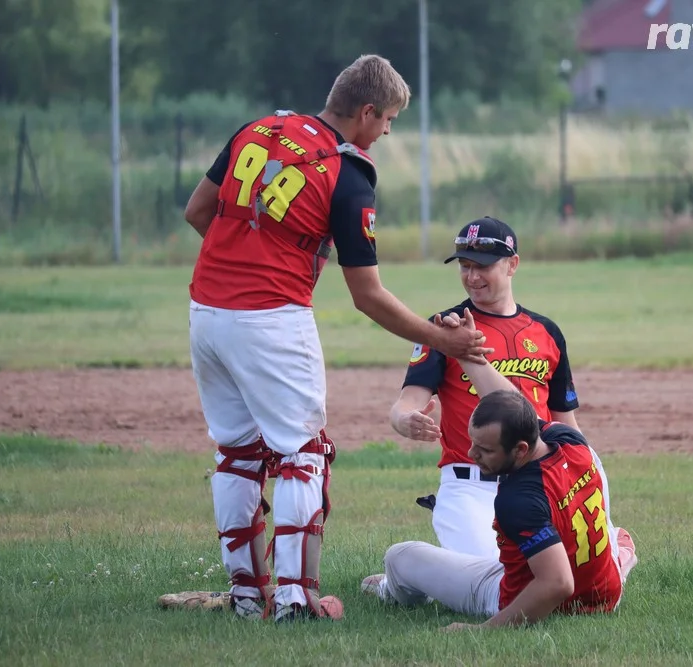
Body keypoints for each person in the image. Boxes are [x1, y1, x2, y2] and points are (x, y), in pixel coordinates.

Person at [181, 54, 491, 624]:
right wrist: (439, 340)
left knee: (238, 454)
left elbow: (199, 211)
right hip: (271, 317)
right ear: (367, 112)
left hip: (206, 311)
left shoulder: (260, 128)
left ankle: (248, 596)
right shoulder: (349, 169)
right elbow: (367, 293)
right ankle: (296, 601)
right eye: (389, 119)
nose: (389, 131)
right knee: (303, 456)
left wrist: (251, 257)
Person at [363, 309, 637, 629]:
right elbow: (517, 406)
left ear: (520, 449)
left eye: (485, 449)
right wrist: (467, 354)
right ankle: (619, 554)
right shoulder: (574, 445)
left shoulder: (516, 498)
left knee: (401, 557)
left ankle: (390, 589)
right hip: (606, 594)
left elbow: (558, 584)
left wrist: (482, 630)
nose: (470, 453)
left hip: (520, 597)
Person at [389, 216, 581, 560]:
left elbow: (566, 423)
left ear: (512, 265)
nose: (472, 277)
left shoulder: (547, 332)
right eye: (464, 265)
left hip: (539, 481)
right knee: (496, 579)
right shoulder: (444, 329)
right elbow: (406, 404)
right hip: (469, 487)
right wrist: (404, 420)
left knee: (579, 570)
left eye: (483, 266)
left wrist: (581, 480)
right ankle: (402, 578)